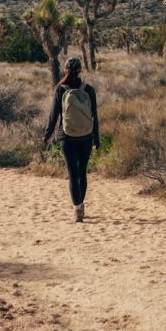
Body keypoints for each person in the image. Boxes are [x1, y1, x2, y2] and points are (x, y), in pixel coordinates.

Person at [42, 57, 100, 222]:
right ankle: (81, 205)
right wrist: (97, 138)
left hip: (66, 137)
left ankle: (77, 210)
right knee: (82, 172)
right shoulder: (89, 90)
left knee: (72, 174)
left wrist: (47, 135)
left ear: (65, 71)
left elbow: (54, 115)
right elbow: (95, 116)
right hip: (86, 137)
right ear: (80, 71)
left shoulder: (60, 89)